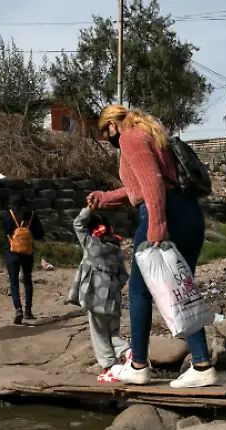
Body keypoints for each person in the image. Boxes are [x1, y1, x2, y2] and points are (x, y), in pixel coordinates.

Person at [87, 105, 215, 389]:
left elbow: (153, 183)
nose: (106, 138)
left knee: (139, 292)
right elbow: (146, 183)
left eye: (104, 131)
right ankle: (202, 363)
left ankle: (139, 366)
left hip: (163, 212)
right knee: (181, 290)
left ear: (112, 125)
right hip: (189, 213)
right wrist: (106, 198)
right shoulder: (152, 134)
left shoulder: (129, 137)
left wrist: (157, 224)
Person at [67, 208, 132, 382]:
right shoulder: (116, 249)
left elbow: (77, 224)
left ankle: (109, 367)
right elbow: (123, 276)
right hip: (114, 297)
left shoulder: (91, 244)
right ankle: (127, 351)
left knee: (99, 333)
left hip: (95, 297)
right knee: (113, 331)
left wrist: (88, 209)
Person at [2, 194, 45, 324]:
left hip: (11, 252)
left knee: (14, 282)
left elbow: (6, 231)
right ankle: (28, 310)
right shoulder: (31, 215)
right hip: (27, 252)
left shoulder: (9, 215)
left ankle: (18, 310)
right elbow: (40, 234)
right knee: (27, 280)